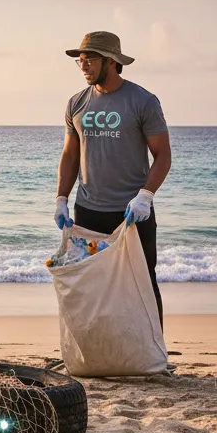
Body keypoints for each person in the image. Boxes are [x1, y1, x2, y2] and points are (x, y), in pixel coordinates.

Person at [55, 31, 171, 324]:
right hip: (88, 210)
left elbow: (163, 156)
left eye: (90, 60)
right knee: (90, 282)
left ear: (111, 61)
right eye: (80, 61)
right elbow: (70, 156)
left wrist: (145, 197)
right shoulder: (76, 103)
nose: (84, 66)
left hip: (132, 213)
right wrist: (61, 199)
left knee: (144, 281)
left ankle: (154, 352)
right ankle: (99, 349)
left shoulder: (143, 100)